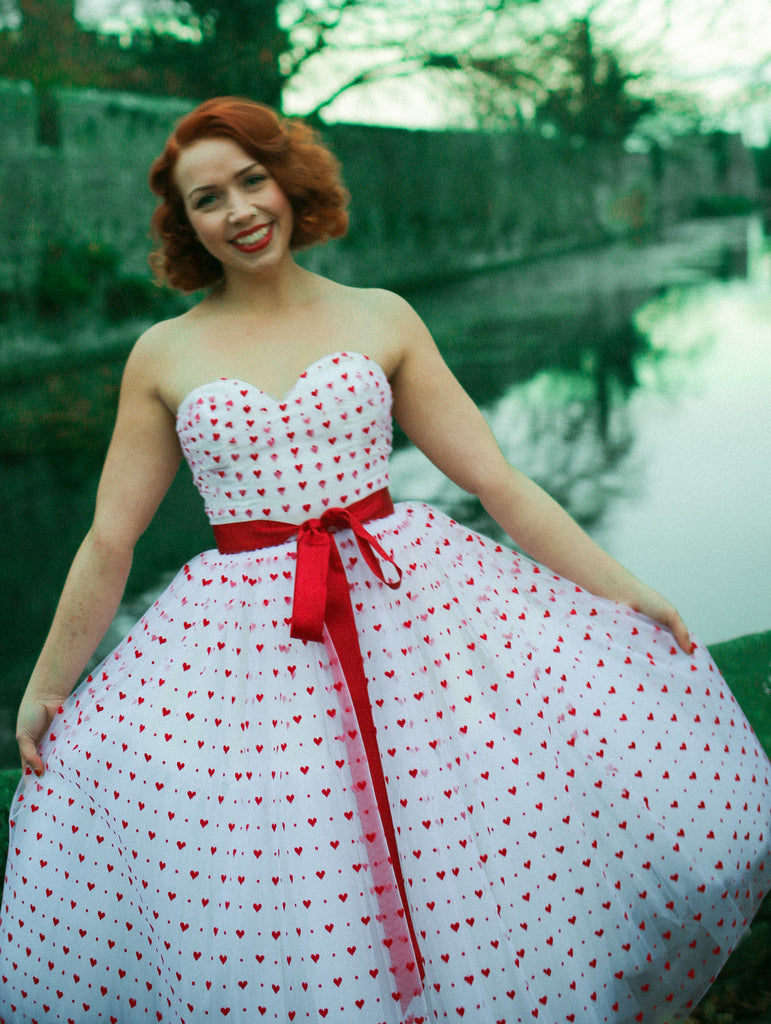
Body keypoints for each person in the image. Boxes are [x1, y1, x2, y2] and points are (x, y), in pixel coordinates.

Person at [1, 97, 768, 1024]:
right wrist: (50, 680)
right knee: (292, 870)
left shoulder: (381, 315)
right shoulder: (163, 353)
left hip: (410, 618)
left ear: (290, 180)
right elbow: (109, 540)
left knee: (458, 852)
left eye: (253, 180)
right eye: (209, 198)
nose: (240, 210)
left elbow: (499, 483)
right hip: (248, 652)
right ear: (185, 222)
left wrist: (622, 589)